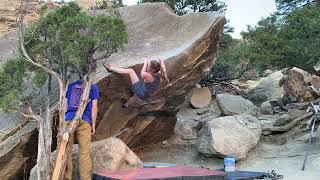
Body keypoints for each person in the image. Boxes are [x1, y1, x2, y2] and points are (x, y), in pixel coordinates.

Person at [64, 79, 99, 180]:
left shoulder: (71, 86)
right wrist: (93, 124)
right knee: (84, 153)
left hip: (69, 120)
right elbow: (94, 107)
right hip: (84, 120)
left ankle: (67, 178)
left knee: (67, 152)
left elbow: (67, 104)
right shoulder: (93, 86)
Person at [104, 58, 168, 107]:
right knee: (136, 96)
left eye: (148, 66)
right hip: (147, 95)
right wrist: (162, 61)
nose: (147, 66)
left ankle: (110, 68)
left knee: (131, 71)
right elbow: (164, 69)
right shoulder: (160, 75)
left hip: (140, 91)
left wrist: (145, 63)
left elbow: (142, 73)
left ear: (152, 69)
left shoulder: (147, 75)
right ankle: (126, 105)